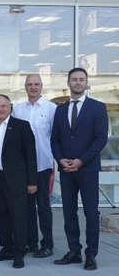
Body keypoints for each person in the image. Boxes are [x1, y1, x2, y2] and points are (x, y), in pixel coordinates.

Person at [51, 68, 108, 271]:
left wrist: (81, 161)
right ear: (68, 82)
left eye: (81, 79)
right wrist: (60, 160)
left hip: (88, 169)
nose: (77, 83)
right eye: (74, 79)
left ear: (86, 82)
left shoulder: (97, 108)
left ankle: (90, 254)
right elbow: (55, 139)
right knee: (69, 213)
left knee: (91, 213)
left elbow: (101, 138)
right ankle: (74, 251)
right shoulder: (60, 109)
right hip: (66, 170)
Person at [0, 95, 37, 269]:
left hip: (17, 181)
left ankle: (19, 253)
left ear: (10, 107)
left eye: (3, 106)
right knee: (2, 216)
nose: (0, 109)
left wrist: (32, 182)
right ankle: (6, 248)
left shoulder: (21, 126)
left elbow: (30, 155)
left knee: (18, 217)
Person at [11, 75, 56, 258]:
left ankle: (47, 244)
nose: (33, 87)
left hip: (43, 164)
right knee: (26, 207)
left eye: (36, 84)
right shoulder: (18, 109)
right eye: (30, 84)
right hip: (22, 167)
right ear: (25, 87)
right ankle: (31, 242)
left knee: (43, 206)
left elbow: (56, 136)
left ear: (41, 86)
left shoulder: (51, 109)